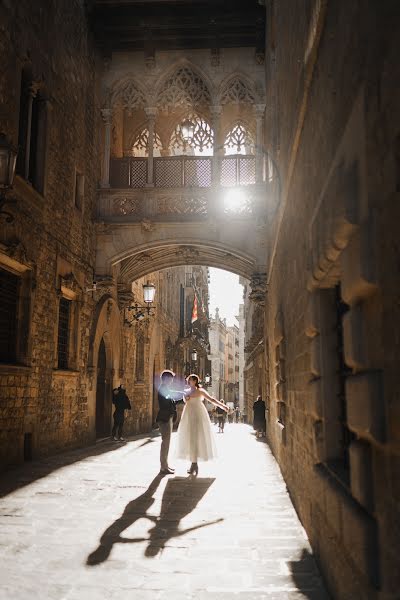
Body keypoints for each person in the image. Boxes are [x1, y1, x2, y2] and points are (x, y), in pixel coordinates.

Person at [175, 374, 228, 475]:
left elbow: (212, 400)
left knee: (196, 437)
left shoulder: (201, 391)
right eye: (188, 380)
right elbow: (185, 400)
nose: (188, 381)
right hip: (188, 415)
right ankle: (194, 463)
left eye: (190, 380)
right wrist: (186, 396)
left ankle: (194, 464)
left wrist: (223, 406)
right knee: (190, 437)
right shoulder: (186, 391)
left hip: (198, 414)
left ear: (195, 381)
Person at [156, 370, 184, 475]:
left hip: (167, 418)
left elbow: (171, 401)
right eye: (171, 378)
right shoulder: (164, 389)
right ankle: (163, 467)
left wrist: (182, 398)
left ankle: (165, 465)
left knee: (166, 443)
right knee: (165, 443)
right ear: (167, 379)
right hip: (165, 418)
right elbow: (167, 403)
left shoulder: (166, 389)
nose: (172, 380)